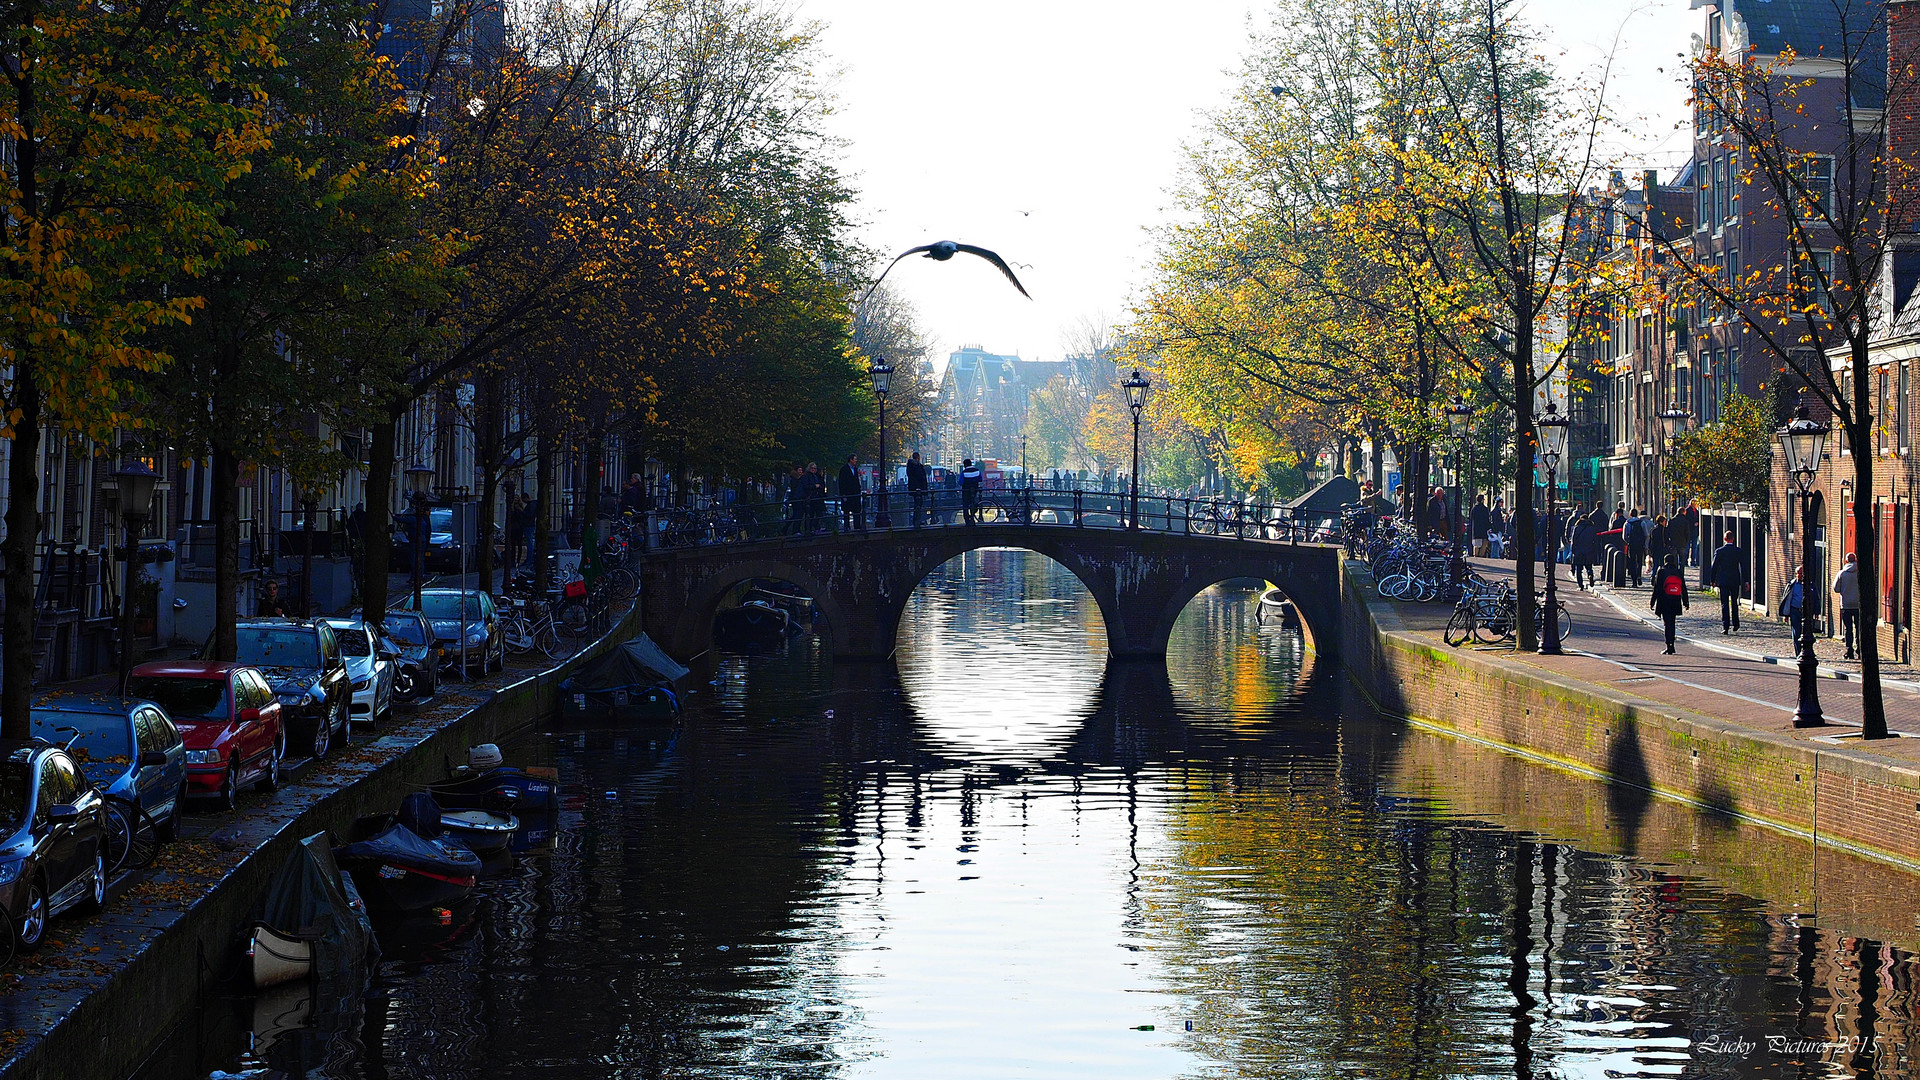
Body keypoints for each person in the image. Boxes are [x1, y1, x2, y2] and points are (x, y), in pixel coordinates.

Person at [1650, 552, 1690, 654]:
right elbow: (1683, 587)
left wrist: (1652, 602)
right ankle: (1672, 644)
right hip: (1675, 600)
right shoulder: (1678, 572)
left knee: (1667, 624)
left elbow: (1657, 588)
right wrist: (1686, 602)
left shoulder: (1662, 571)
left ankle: (1669, 645)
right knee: (1672, 623)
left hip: (1664, 600)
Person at [1709, 530, 1747, 632]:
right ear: (1733, 539)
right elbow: (1744, 566)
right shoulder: (1738, 551)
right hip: (1734, 579)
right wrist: (1746, 581)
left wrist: (1713, 580)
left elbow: (1714, 567)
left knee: (1724, 603)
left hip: (1723, 580)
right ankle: (1736, 624)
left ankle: (1725, 626)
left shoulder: (1720, 551)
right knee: (1734, 602)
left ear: (1725, 539)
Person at [1834, 551, 1861, 659]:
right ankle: (1859, 649)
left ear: (1845, 561)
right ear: (1856, 560)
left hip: (1846, 605)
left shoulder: (1842, 573)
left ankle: (1849, 650)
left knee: (1848, 628)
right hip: (1858, 605)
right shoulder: (1860, 572)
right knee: (1859, 628)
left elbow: (1836, 588)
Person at [1782, 565, 1807, 648]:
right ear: (1796, 574)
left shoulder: (1809, 584)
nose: (1800, 575)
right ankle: (1798, 652)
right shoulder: (1791, 585)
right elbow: (1786, 599)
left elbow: (1815, 597)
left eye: (1802, 573)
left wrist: (1816, 610)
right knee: (1796, 632)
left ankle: (1805, 649)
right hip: (1794, 610)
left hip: (1805, 611)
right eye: (1799, 573)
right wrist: (1785, 614)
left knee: (1806, 633)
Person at [838, 455, 864, 532]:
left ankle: (857, 526)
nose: (856, 461)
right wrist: (843, 494)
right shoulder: (844, 469)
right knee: (846, 510)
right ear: (850, 460)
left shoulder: (855, 469)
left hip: (855, 494)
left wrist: (858, 490)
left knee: (856, 510)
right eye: (855, 459)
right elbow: (841, 482)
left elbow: (856, 481)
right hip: (848, 493)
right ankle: (846, 527)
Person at [1624, 506, 1647, 588]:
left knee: (1632, 562)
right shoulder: (1641, 522)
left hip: (1632, 545)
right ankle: (1639, 576)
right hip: (1640, 545)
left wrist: (1628, 542)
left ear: (1630, 514)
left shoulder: (1627, 523)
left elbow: (1624, 536)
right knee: (1639, 561)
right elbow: (1645, 534)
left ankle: (1634, 581)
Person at [907, 451, 929, 527]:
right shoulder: (916, 466)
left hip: (914, 488)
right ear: (918, 457)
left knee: (917, 504)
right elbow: (920, 476)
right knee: (918, 504)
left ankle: (917, 521)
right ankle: (917, 521)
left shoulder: (911, 466)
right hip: (918, 489)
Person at [960, 458, 984, 524]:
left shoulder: (964, 472)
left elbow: (961, 482)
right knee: (974, 502)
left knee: (965, 505)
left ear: (965, 465)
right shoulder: (977, 471)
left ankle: (967, 519)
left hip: (966, 490)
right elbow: (980, 479)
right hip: (975, 490)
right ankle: (973, 515)